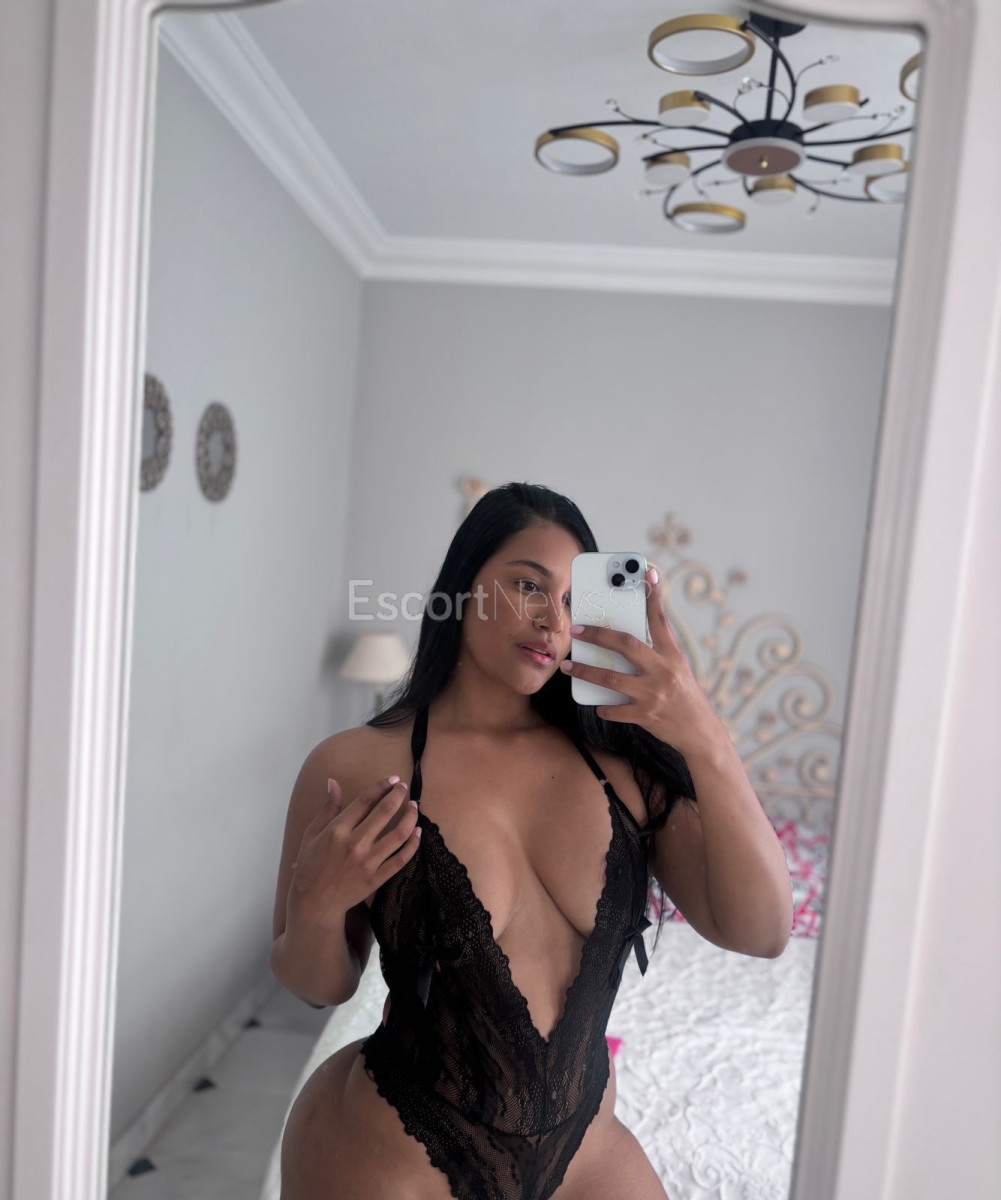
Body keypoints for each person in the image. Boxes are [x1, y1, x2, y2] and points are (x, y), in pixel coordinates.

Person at [269, 482, 787, 1199]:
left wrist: (705, 737)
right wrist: (316, 907)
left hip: (586, 1161)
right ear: (462, 589)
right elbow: (316, 986)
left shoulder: (627, 773)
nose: (553, 620)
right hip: (394, 1158)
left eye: (574, 601)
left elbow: (763, 932)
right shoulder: (357, 766)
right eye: (528, 585)